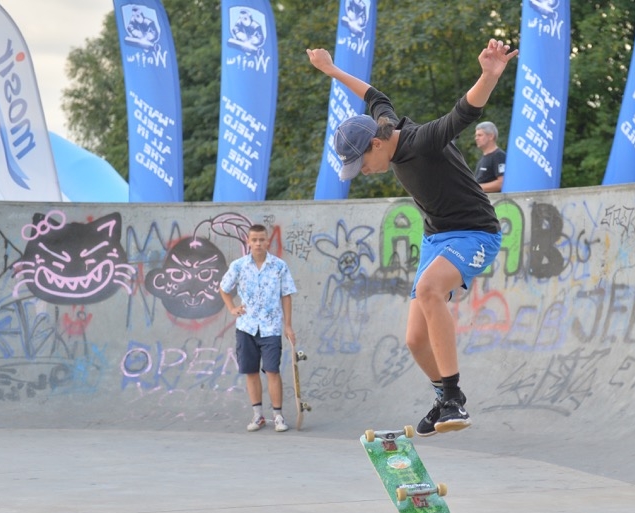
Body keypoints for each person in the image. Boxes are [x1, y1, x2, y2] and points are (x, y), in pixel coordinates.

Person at [306, 39, 518, 435]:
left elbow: (464, 112)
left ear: (375, 144)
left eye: (363, 163)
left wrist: (489, 75)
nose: (364, 172)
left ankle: (454, 398)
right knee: (414, 340)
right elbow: (374, 95)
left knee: (428, 290)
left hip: (476, 232)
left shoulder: (422, 141)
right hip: (438, 238)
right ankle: (441, 396)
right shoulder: (382, 122)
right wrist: (332, 71)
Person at [219, 224, 297, 432]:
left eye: (262, 239)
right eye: (254, 240)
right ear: (248, 242)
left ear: (268, 241)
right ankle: (257, 415)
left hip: (271, 327)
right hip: (246, 327)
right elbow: (224, 288)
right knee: (251, 371)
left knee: (272, 370)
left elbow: (286, 295)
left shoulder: (279, 266)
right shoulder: (239, 266)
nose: (258, 243)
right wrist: (232, 308)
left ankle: (278, 416)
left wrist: (288, 325)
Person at [473, 121, 506, 193]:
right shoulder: (483, 157)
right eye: (476, 135)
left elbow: (501, 183)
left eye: (480, 135)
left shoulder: (498, 156)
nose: (476, 138)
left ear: (491, 136)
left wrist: (474, 187)